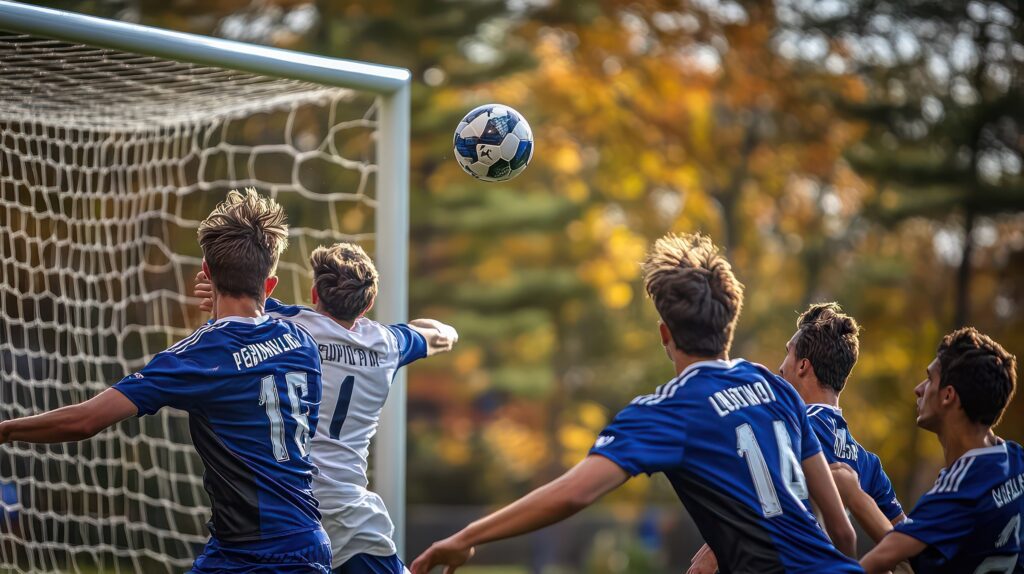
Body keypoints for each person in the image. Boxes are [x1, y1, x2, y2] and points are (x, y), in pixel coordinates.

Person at [410, 232, 859, 574]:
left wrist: (468, 537)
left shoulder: (669, 410)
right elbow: (840, 532)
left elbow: (573, 493)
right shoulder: (772, 384)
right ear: (730, 323)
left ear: (665, 333)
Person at [0, 188, 331, 572]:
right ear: (270, 284)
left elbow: (85, 420)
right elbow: (265, 314)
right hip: (307, 540)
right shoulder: (301, 341)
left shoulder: (202, 356)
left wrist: (6, 430)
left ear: (206, 273)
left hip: (254, 554)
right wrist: (242, 294)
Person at [196, 241, 457, 573]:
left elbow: (243, 301)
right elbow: (441, 334)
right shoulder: (388, 344)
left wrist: (219, 292)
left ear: (315, 293)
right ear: (369, 303)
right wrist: (443, 331)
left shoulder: (286, 326)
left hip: (285, 512)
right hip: (352, 520)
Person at [689, 302, 905, 573]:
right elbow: (907, 544)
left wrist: (712, 552)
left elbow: (761, 501)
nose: (780, 368)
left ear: (803, 365)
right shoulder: (867, 461)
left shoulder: (790, 432)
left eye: (787, 354)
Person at [855, 327, 1021, 574]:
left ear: (948, 396)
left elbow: (882, 558)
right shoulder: (1016, 460)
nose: (919, 389)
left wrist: (851, 493)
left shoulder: (960, 490)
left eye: (930, 378)